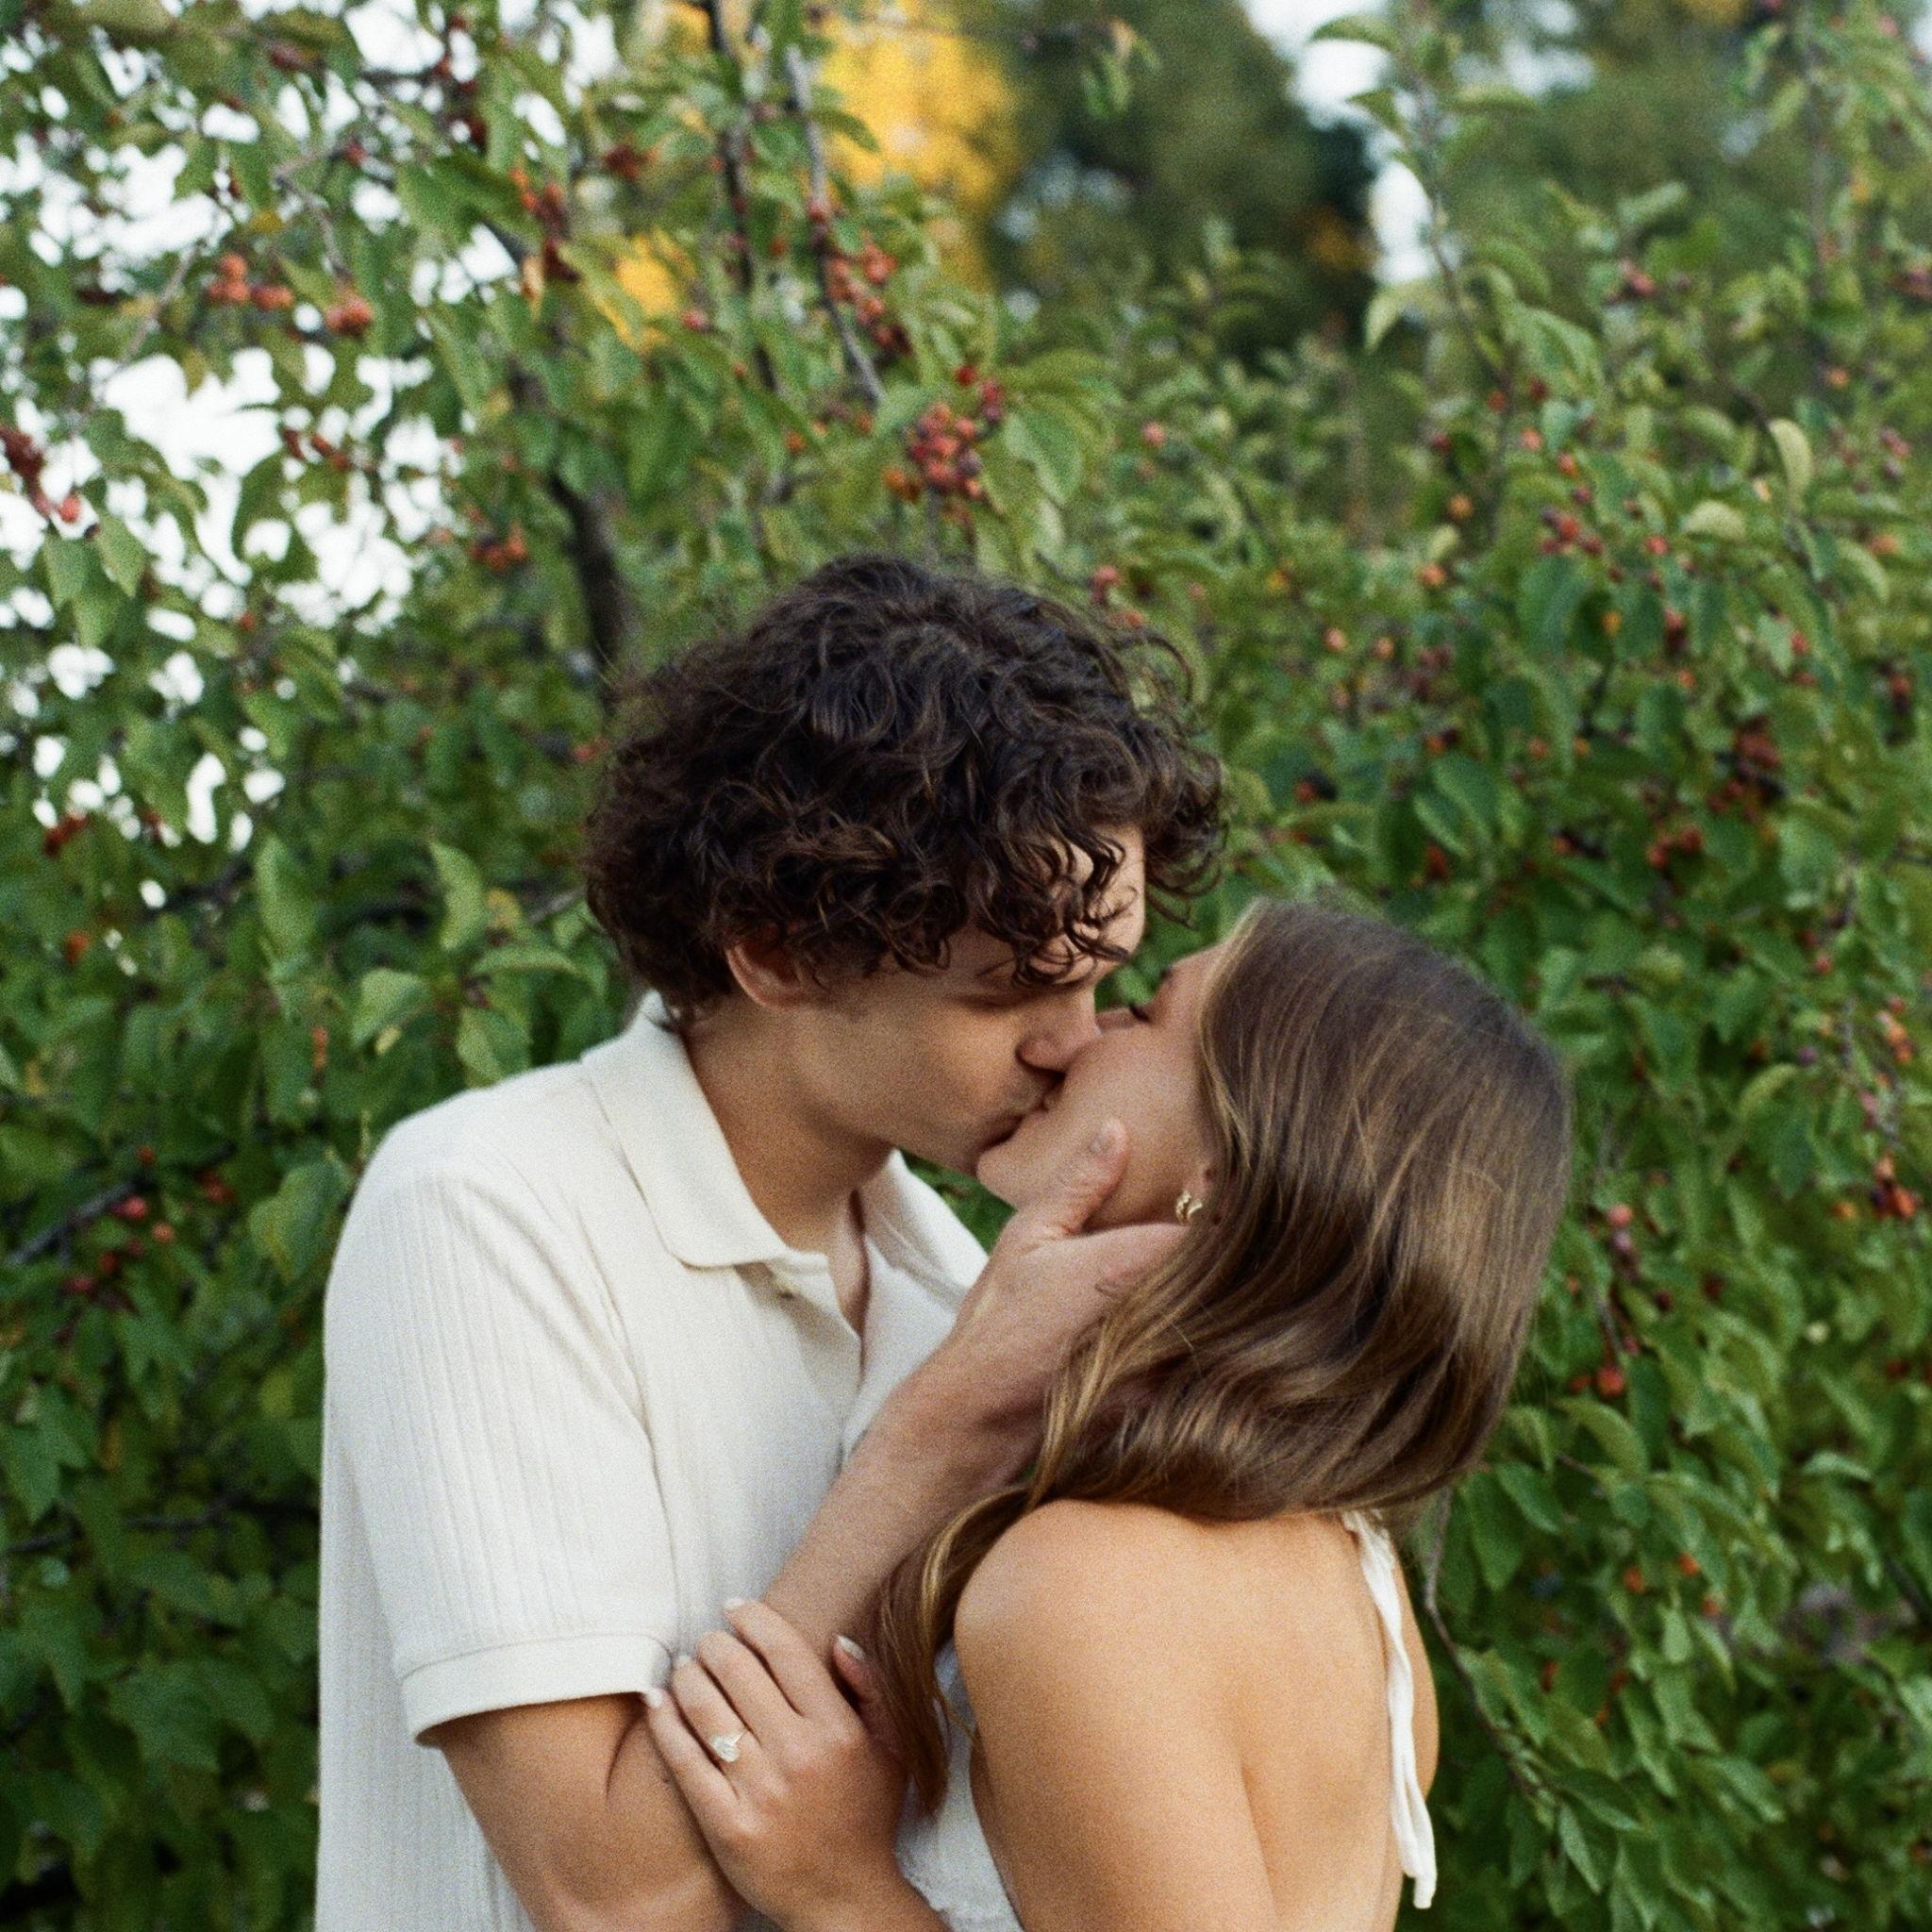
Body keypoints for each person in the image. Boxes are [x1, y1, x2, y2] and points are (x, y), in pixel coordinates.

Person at [314, 551, 1223, 1930]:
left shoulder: (956, 1283)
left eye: (1105, 977)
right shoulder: (490, 1207)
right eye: (1008, 992)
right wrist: (938, 1436)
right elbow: (611, 1897)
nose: (1075, 1043)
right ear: (779, 952)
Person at [641, 895, 1575, 1932]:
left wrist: (842, 1891)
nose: (1078, 1036)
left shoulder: (1088, 1585)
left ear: (1222, 1182)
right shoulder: (1354, 1569)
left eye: (1145, 1012)